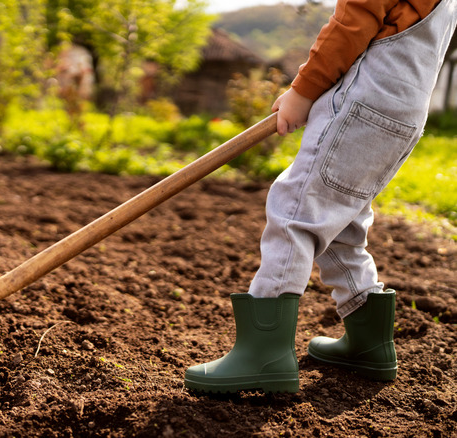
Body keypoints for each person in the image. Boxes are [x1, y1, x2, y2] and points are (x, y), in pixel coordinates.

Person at [184, 0, 457, 393]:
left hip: (366, 102)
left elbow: (352, 22)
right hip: (404, 111)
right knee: (342, 218)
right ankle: (368, 344)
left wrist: (302, 90)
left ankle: (264, 354)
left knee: (296, 211)